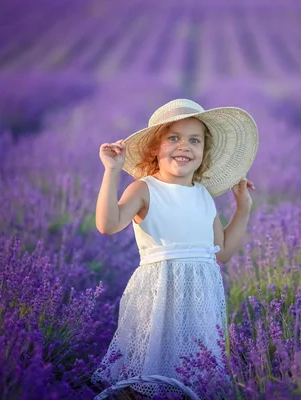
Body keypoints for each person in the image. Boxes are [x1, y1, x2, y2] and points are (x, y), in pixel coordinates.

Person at [91, 99, 259, 399]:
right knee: (150, 368)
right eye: (174, 138)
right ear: (155, 148)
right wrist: (111, 172)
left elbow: (221, 252)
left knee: (194, 371)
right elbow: (108, 224)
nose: (184, 146)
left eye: (194, 140)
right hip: (159, 293)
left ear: (204, 152)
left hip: (200, 297)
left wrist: (242, 208)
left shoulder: (203, 196)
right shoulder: (144, 188)